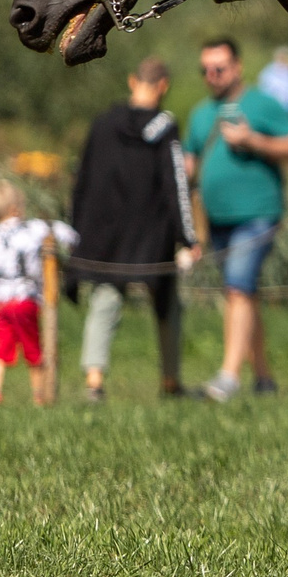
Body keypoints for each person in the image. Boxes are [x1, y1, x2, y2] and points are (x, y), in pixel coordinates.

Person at [68, 57, 197, 401]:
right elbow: (176, 185)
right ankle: (171, 381)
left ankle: (94, 381)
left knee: (105, 299)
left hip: (105, 232)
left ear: (131, 81)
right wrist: (188, 237)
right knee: (166, 301)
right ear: (163, 86)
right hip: (151, 234)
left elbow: (81, 179)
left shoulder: (103, 123)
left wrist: (77, 230)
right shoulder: (164, 126)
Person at [183, 37, 288, 400]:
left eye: (219, 68)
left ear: (237, 67)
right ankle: (263, 378)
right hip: (217, 219)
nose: (212, 76)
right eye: (205, 70)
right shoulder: (201, 113)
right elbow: (189, 162)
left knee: (237, 287)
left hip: (258, 214)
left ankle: (228, 377)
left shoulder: (262, 103)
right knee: (242, 294)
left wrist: (253, 141)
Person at [0, 178, 72, 405]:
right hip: (25, 299)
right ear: (15, 208)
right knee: (33, 348)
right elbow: (65, 233)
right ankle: (40, 395)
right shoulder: (33, 229)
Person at [256, 47, 288, 118]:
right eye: (282, 57)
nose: (285, 59)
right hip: (271, 110)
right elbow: (262, 90)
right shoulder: (268, 72)